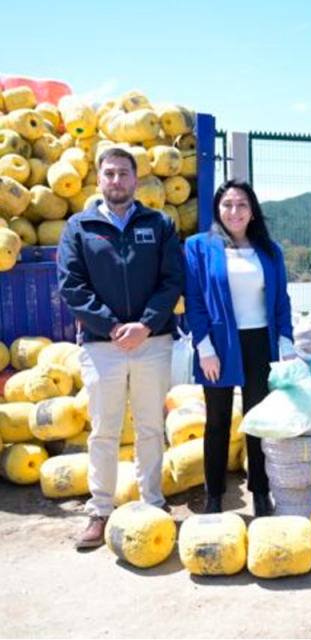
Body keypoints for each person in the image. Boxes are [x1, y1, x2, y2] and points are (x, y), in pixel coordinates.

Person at [57, 147, 183, 550]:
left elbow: (172, 279)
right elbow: (71, 285)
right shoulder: (79, 226)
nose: (116, 181)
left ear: (136, 179)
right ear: (99, 180)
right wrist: (113, 327)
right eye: (109, 174)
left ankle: (152, 504)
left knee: (150, 426)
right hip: (102, 345)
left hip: (153, 340)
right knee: (104, 430)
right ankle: (99, 510)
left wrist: (145, 325)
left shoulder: (159, 223)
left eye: (123, 173)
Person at [184, 179, 295, 517]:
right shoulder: (199, 246)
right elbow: (195, 301)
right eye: (227, 204)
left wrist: (286, 342)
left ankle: (260, 493)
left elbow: (281, 301)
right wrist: (204, 348)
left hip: (260, 342)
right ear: (218, 209)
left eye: (242, 204)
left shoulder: (269, 250)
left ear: (253, 211)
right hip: (218, 344)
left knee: (258, 420)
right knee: (217, 421)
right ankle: (214, 496)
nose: (234, 211)